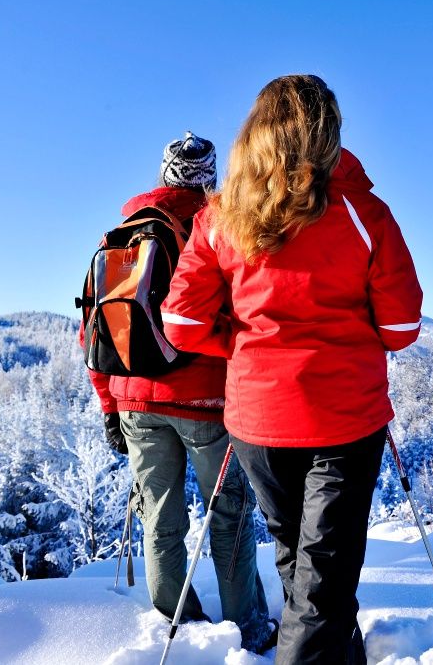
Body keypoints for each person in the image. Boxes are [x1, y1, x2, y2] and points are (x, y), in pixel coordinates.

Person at [160, 75, 423, 664]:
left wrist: (240, 341)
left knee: (299, 561)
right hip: (344, 419)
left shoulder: (222, 216)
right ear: (329, 133)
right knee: (323, 577)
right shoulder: (364, 213)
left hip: (257, 421)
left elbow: (180, 322)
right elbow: (402, 328)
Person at [84, 133, 273, 652]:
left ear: (163, 173)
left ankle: (177, 622)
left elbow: (93, 333)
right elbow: (243, 312)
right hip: (204, 399)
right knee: (229, 512)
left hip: (134, 401)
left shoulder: (121, 236)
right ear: (210, 177)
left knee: (159, 514)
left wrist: (109, 405)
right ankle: (247, 627)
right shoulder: (220, 227)